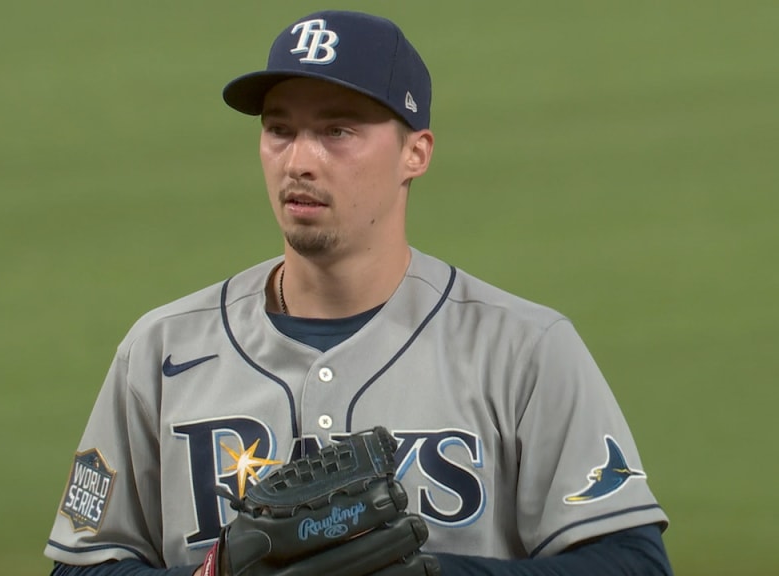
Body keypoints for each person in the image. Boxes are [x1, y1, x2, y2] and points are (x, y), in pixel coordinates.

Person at [44, 10, 673, 576]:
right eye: (279, 130)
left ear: (415, 153)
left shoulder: (524, 350)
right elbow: (81, 566)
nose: (299, 162)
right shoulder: (160, 350)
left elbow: (632, 563)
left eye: (338, 131)